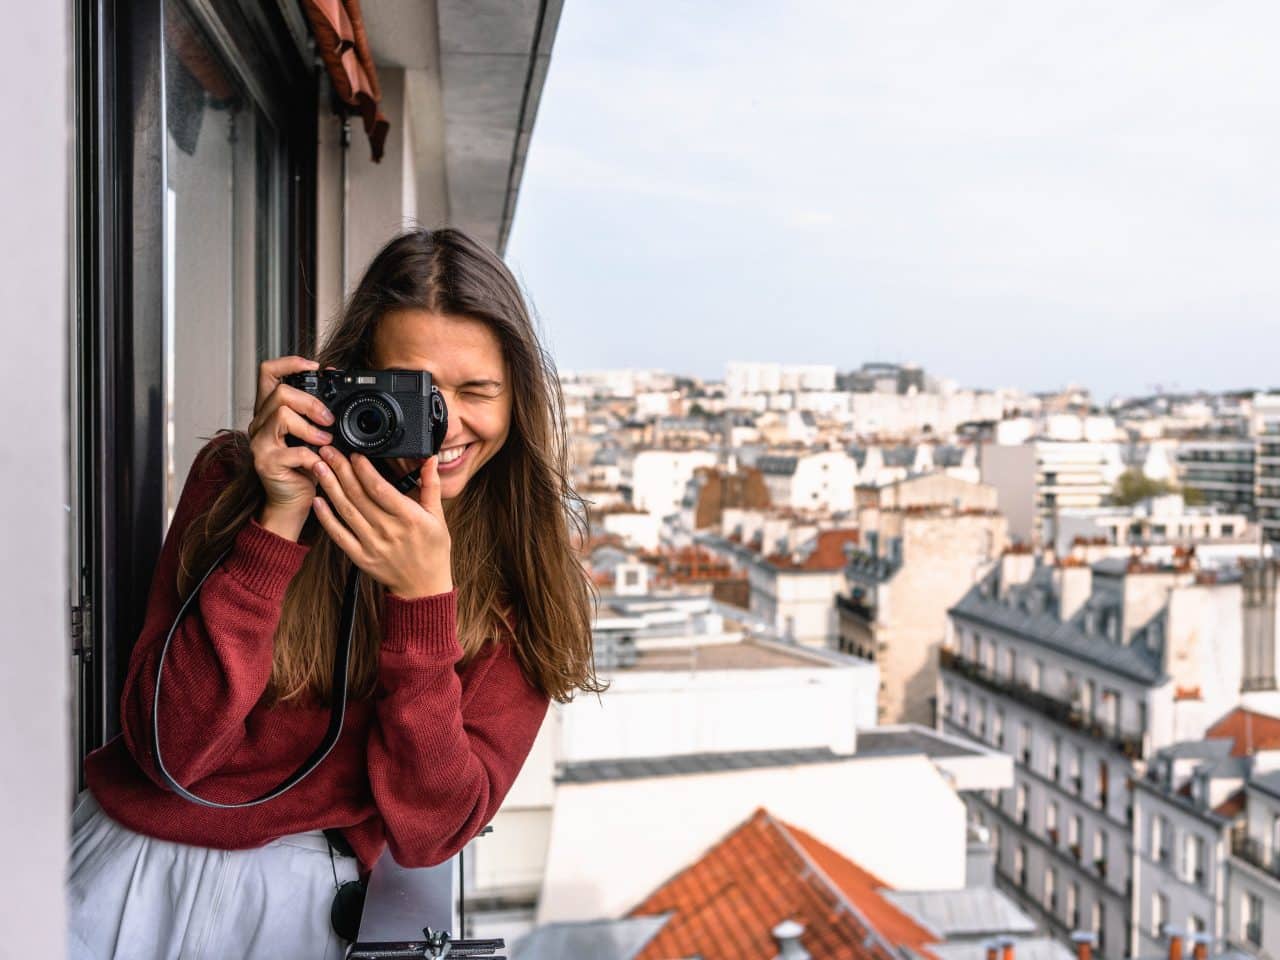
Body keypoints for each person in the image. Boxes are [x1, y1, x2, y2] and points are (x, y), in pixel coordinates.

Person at [67, 228, 604, 958]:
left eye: (477, 391)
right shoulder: (237, 479)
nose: (442, 424)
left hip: (306, 905)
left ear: (518, 399)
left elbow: (433, 830)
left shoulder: (522, 569)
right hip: (125, 870)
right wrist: (278, 515)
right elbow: (172, 752)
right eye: (411, 391)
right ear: (351, 380)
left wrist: (421, 608)